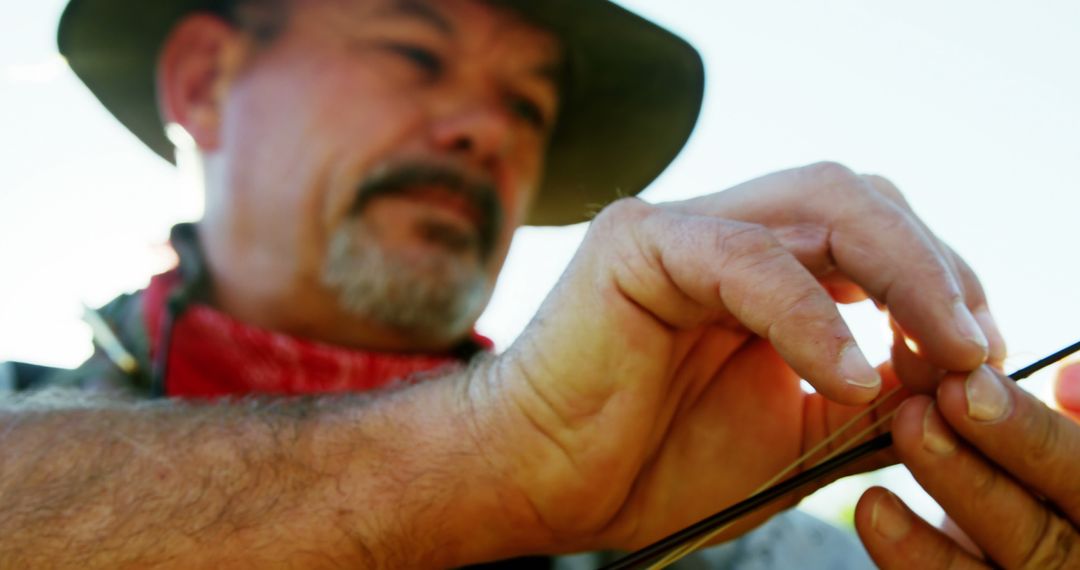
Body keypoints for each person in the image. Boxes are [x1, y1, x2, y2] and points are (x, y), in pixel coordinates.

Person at [1, 0, 1076, 567]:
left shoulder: (740, 543)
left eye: (528, 108)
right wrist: (483, 465)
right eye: (413, 52)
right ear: (203, 79)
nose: (483, 134)